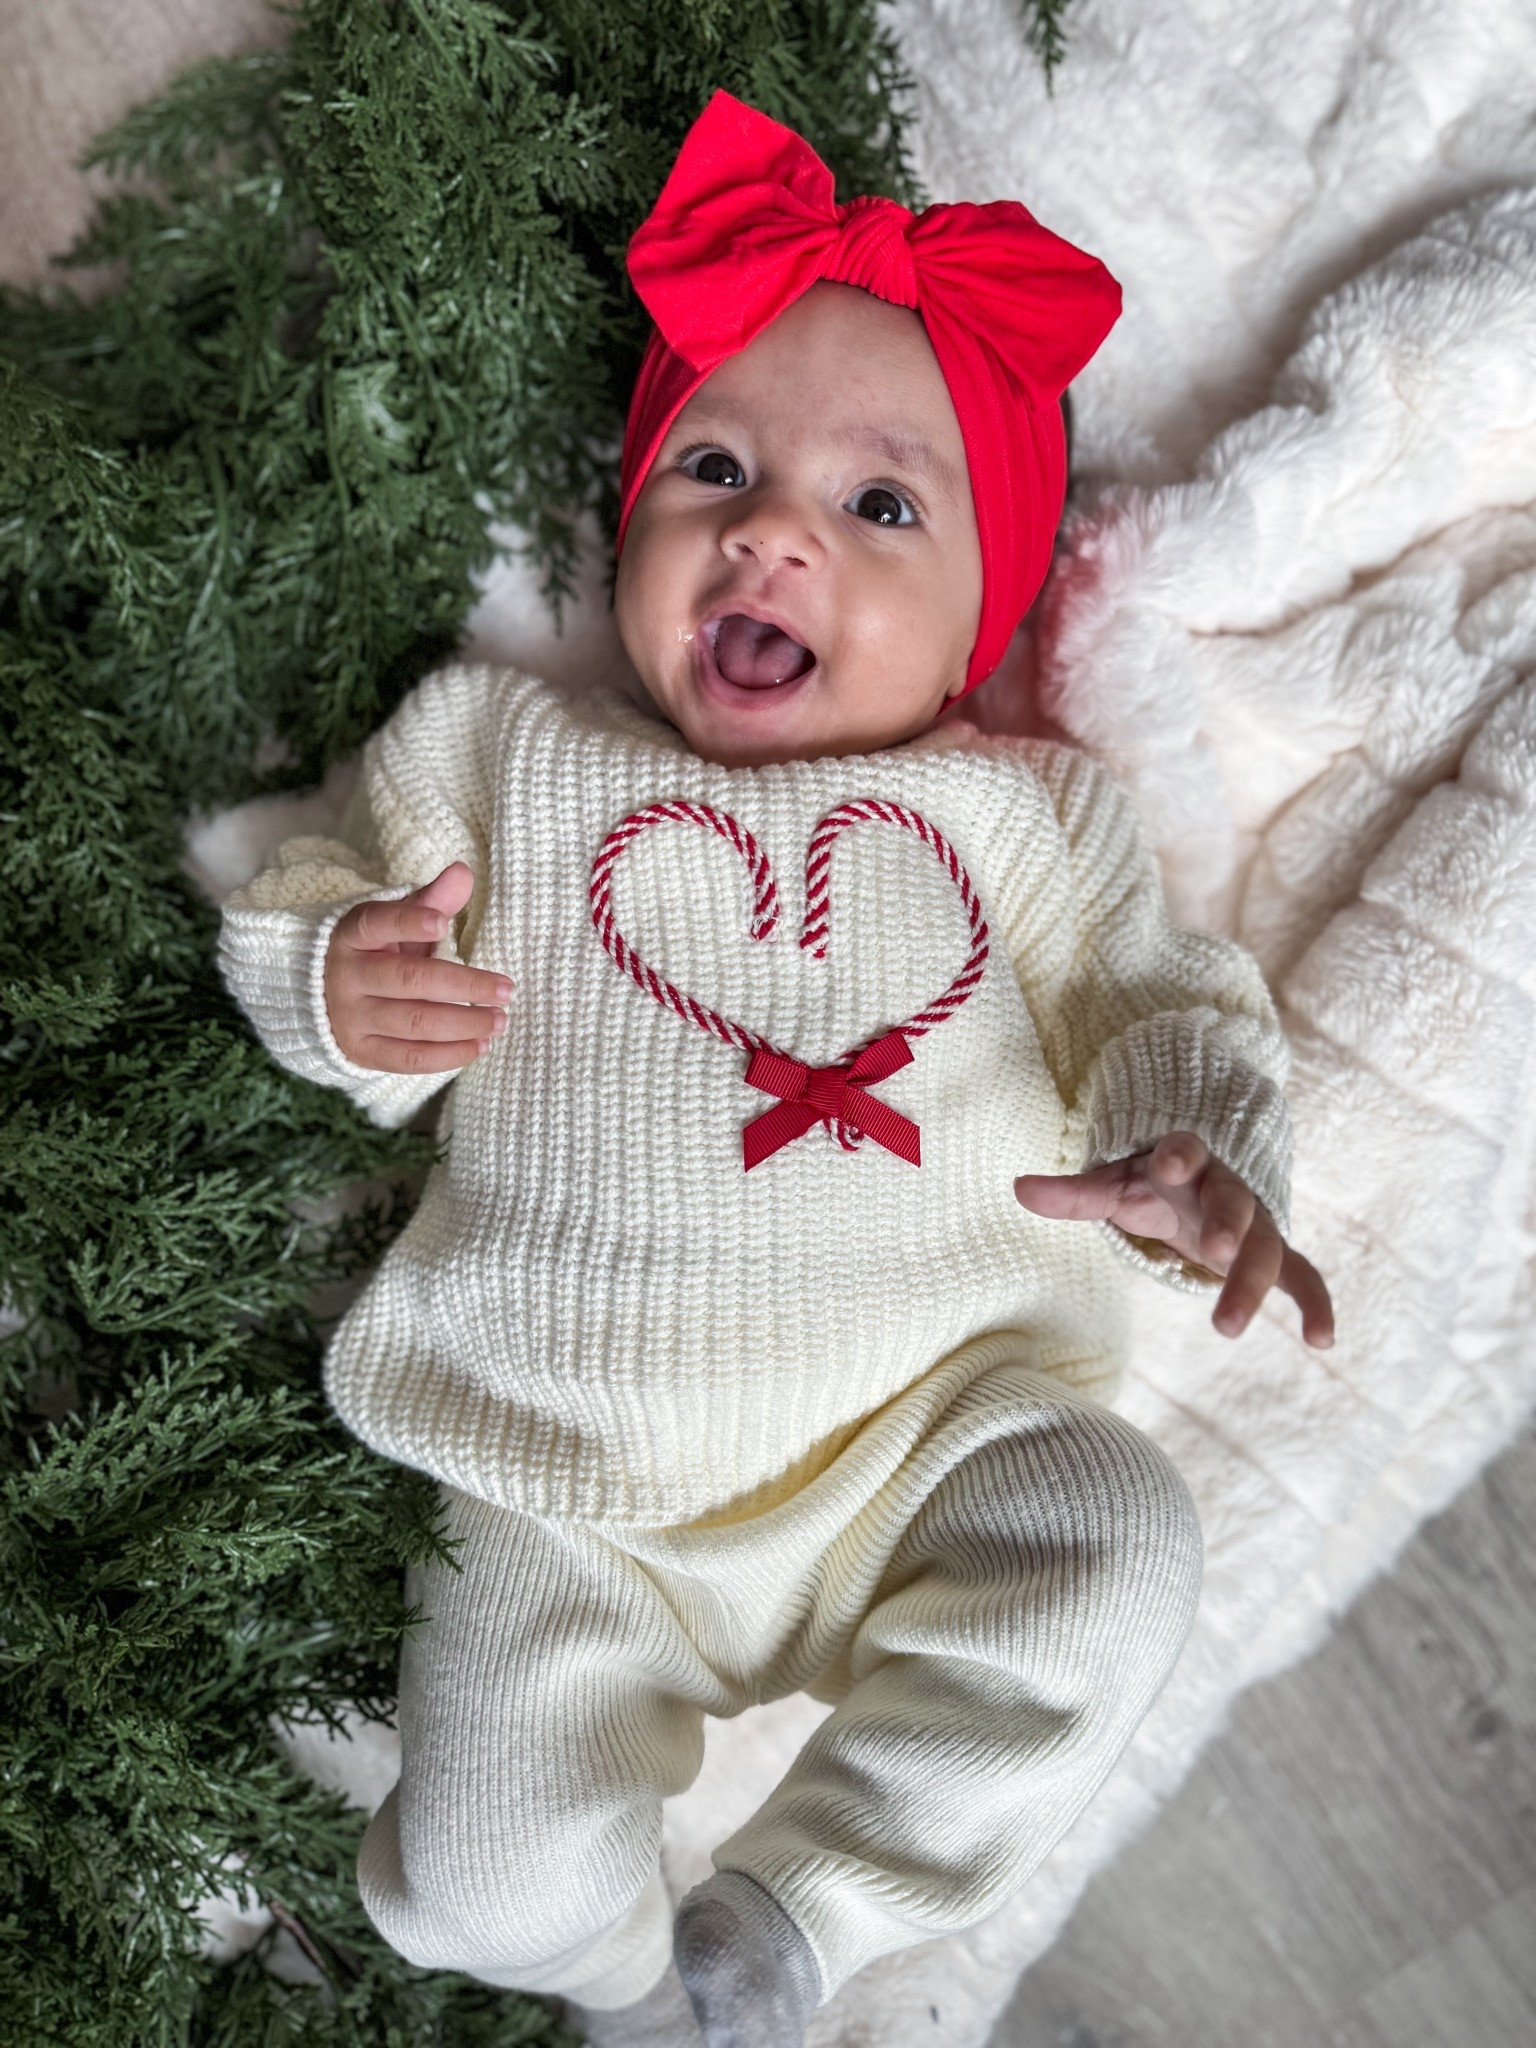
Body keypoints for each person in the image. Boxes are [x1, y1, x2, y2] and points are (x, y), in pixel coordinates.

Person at [218, 90, 1334, 2048]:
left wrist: (1194, 1147)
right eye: (714, 467)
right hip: (561, 1481)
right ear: (632, 521)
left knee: (1124, 1536)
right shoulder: (510, 752)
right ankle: (631, 1991)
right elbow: (322, 879)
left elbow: (1175, 1001)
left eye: (880, 504)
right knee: (477, 1871)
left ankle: (800, 1923)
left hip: (932, 1445)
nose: (773, 530)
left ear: (984, 621)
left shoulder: (1033, 818)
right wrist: (337, 970)